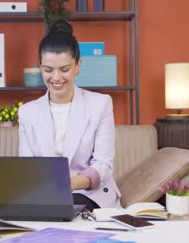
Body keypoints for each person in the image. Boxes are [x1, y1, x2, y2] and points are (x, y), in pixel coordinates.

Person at [18, 20, 121, 210]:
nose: (56, 78)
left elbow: (104, 165)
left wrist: (70, 184)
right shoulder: (27, 112)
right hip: (44, 195)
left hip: (88, 193)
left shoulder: (100, 104)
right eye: (48, 70)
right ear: (40, 67)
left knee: (65, 206)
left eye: (64, 69)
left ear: (78, 66)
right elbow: (28, 168)